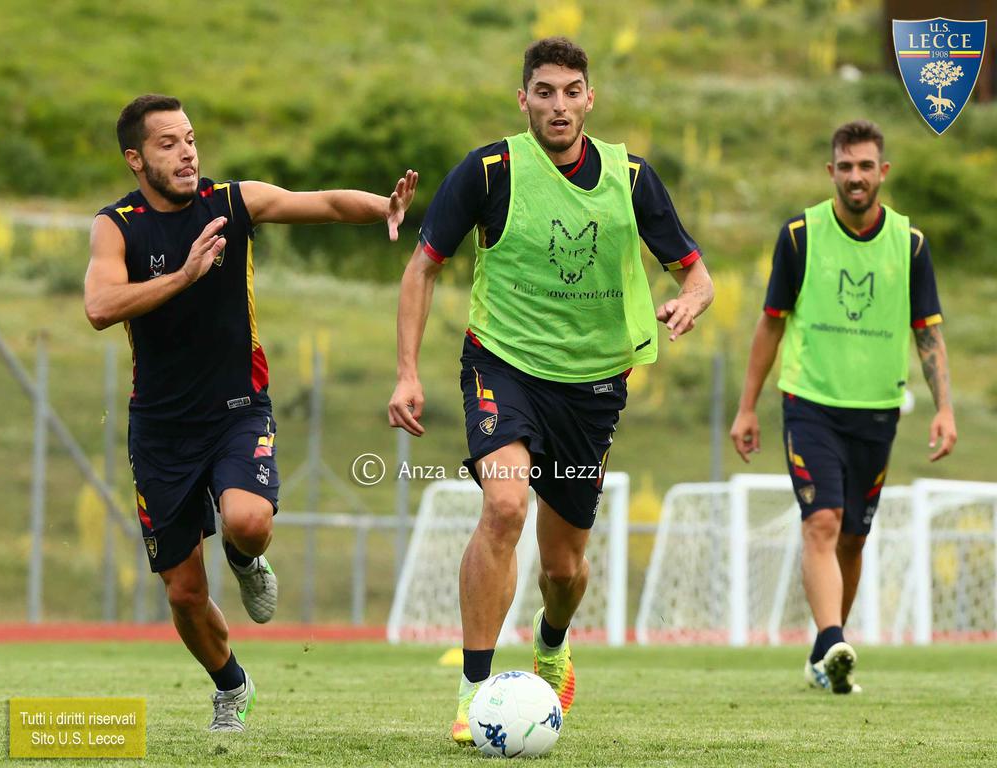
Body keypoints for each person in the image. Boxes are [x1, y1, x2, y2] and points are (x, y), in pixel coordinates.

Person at [388, 38, 713, 743]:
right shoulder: (490, 170)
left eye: (571, 91)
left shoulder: (631, 177)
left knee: (563, 569)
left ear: (590, 98)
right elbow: (423, 266)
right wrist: (408, 371)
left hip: (592, 387)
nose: (558, 105)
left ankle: (552, 639)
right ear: (523, 100)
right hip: (502, 365)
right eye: (544, 92)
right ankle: (475, 694)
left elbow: (695, 271)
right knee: (504, 507)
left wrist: (691, 300)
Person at [84, 94, 417, 731]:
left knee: (248, 521)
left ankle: (244, 558)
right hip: (159, 429)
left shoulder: (232, 202)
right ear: (135, 159)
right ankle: (231, 685)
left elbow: (321, 203)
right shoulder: (116, 226)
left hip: (237, 407)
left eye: (190, 139)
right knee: (184, 592)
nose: (187, 153)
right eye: (167, 144)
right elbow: (99, 307)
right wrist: (184, 275)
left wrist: (384, 207)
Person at [729, 120, 956, 694]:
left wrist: (945, 409)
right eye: (846, 166)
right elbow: (770, 323)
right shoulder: (800, 235)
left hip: (878, 410)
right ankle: (834, 640)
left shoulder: (910, 243)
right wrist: (747, 407)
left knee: (853, 536)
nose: (856, 176)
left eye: (866, 166)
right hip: (810, 404)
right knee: (823, 521)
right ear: (831, 171)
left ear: (883, 171)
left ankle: (822, 654)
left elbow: (928, 332)